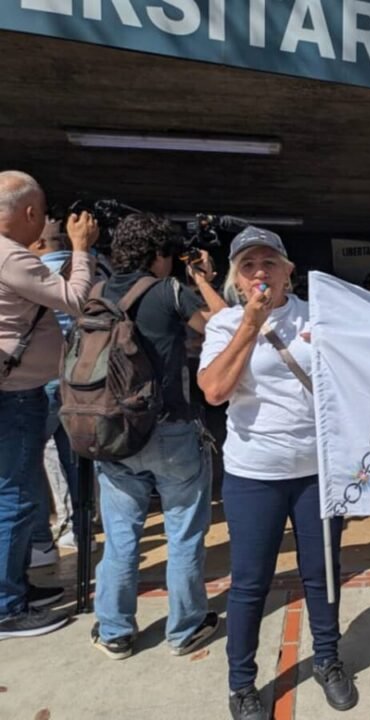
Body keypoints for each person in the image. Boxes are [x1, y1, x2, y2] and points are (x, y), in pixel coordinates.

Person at [199, 227, 358, 719]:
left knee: (322, 573)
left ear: (289, 271)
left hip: (317, 473)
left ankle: (327, 659)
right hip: (254, 474)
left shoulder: (320, 315)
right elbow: (214, 391)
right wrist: (250, 325)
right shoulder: (224, 324)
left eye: (269, 262)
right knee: (250, 583)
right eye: (248, 266)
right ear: (236, 279)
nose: (259, 272)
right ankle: (242, 684)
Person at [91, 214, 226, 661]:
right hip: (170, 428)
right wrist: (203, 280)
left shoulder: (97, 293)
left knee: (121, 536)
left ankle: (115, 630)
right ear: (160, 255)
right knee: (183, 533)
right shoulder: (168, 291)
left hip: (114, 431)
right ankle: (185, 628)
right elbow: (220, 327)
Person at [0, 171, 96, 639]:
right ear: (30, 212)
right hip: (15, 396)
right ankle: (7, 607)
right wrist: (81, 248)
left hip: (16, 391)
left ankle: (16, 585)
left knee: (15, 492)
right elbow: (75, 300)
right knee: (15, 497)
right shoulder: (10, 256)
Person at [27, 223, 92, 556]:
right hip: (80, 380)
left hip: (41, 380)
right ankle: (81, 531)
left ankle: (40, 539)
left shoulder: (30, 273)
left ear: (39, 241)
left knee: (29, 461)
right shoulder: (91, 270)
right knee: (75, 458)